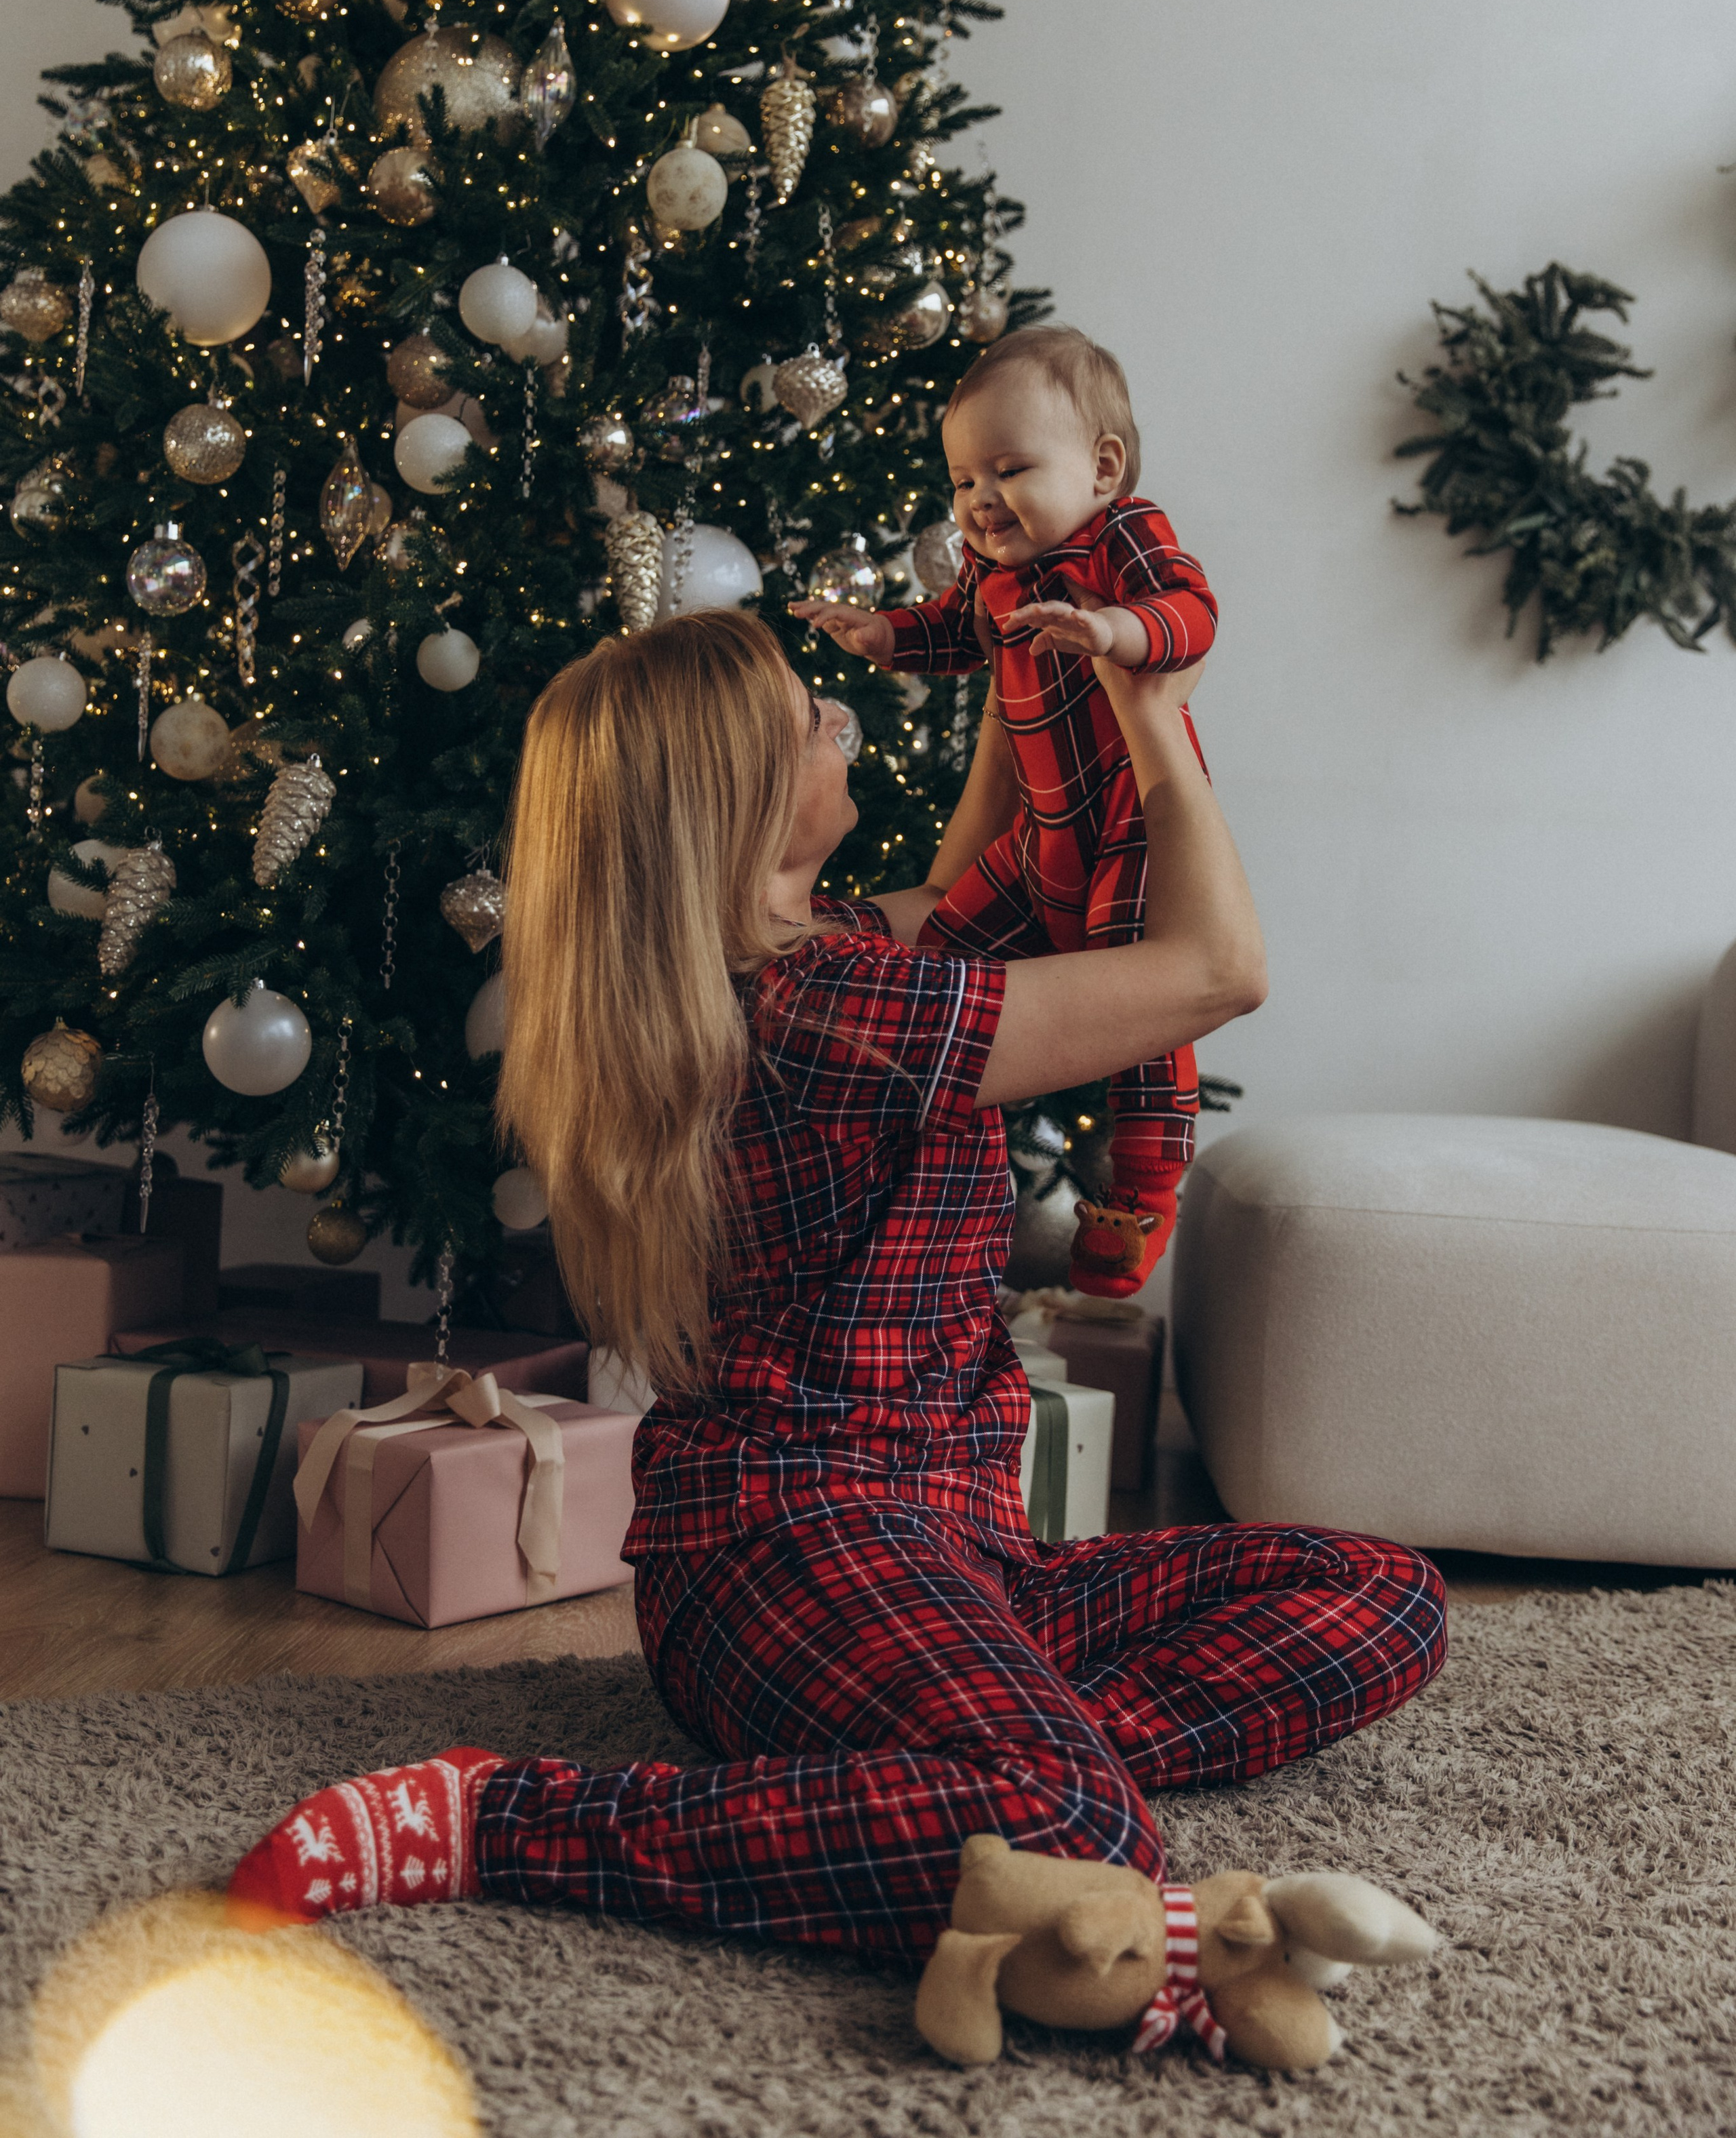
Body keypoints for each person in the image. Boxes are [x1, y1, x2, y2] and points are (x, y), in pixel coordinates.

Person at [229, 609, 1445, 1974]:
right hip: (788, 1546)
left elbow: (1005, 883)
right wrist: (1154, 721)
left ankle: (991, 1751)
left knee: (1379, 1596)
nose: (839, 724)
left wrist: (1021, 671)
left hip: (957, 1550)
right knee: (1071, 1830)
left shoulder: (827, 960)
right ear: (738, 795)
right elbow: (1220, 970)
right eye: (811, 717)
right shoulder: (813, 1006)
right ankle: (497, 1814)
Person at [795, 323, 1218, 1294]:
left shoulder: (1122, 536)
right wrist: (884, 635)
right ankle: (921, 1136)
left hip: (1126, 829)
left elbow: (1191, 611)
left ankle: (1142, 1199)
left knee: (1145, 1008)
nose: (981, 499)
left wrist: (1113, 631)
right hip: (1038, 842)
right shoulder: (995, 572)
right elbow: (955, 633)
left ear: (1103, 467)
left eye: (1010, 468)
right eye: (963, 480)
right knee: (945, 947)